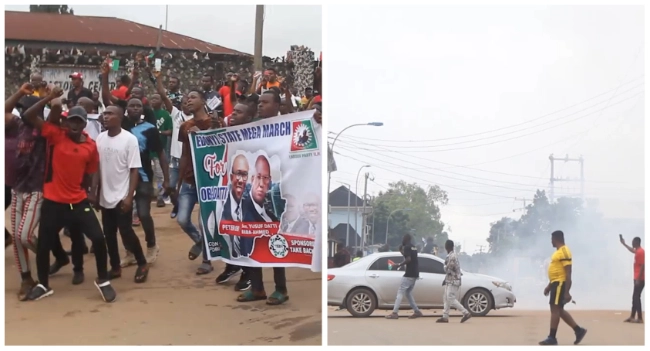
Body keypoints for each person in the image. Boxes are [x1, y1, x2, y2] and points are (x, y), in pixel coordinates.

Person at [21, 87, 116, 302]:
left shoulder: (90, 147)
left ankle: (103, 280)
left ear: (84, 125)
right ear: (66, 122)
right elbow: (29, 116)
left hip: (77, 202)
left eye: (78, 122)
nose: (73, 125)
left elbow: (91, 173)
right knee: (44, 245)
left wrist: (91, 193)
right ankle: (43, 284)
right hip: (53, 203)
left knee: (99, 239)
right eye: (71, 121)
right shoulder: (56, 135)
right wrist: (48, 98)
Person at [100, 61, 169, 267]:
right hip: (122, 178)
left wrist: (165, 179)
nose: (135, 108)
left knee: (144, 213)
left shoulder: (150, 129)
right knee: (124, 219)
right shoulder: (121, 124)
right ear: (126, 109)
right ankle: (130, 252)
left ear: (143, 109)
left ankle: (151, 245)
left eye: (138, 106)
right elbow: (107, 99)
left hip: (144, 176)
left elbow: (160, 154)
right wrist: (105, 76)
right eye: (131, 105)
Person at [96, 104, 150, 283]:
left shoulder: (129, 139)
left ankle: (142, 262)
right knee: (109, 234)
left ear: (119, 117)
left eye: (110, 114)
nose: (105, 117)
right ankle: (116, 266)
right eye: (104, 114)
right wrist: (95, 192)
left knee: (126, 231)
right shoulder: (100, 138)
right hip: (105, 196)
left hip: (121, 195)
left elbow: (134, 170)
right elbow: (97, 168)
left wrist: (129, 196)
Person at [177, 87, 218, 275]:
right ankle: (201, 241)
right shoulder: (185, 126)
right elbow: (184, 154)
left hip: (208, 180)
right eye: (187, 98)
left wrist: (206, 132)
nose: (188, 100)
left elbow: (221, 145)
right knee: (182, 219)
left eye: (193, 97)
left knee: (204, 222)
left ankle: (207, 260)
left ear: (203, 101)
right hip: (189, 180)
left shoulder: (215, 121)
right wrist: (178, 181)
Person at [539, 230, 587, 345]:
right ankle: (578, 330)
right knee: (559, 310)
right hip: (556, 283)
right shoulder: (559, 252)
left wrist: (567, 292)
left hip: (560, 284)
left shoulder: (564, 251)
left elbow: (568, 272)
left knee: (555, 309)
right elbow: (557, 270)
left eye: (552, 239)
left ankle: (552, 337)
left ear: (556, 239)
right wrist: (549, 286)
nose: (551, 242)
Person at [219, 153, 251, 291]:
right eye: (237, 173)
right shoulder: (222, 201)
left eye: (244, 175)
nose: (240, 179)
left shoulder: (253, 201)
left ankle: (248, 273)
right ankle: (232, 265)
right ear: (231, 175)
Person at [385, 233, 422, 319]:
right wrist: (402, 252)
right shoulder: (414, 247)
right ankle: (417, 311)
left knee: (400, 292)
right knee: (408, 293)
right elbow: (410, 256)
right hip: (415, 273)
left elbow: (408, 259)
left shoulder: (408, 247)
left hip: (409, 273)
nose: (402, 240)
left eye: (403, 238)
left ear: (406, 239)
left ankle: (394, 312)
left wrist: (399, 264)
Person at [436, 240, 471, 323]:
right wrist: (446, 279)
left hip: (453, 280)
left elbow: (449, 269)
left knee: (450, 298)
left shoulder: (452, 256)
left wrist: (444, 267)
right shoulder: (451, 255)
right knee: (446, 298)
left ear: (447, 247)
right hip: (451, 280)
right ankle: (445, 316)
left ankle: (466, 312)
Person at [149, 92, 173, 207]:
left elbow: (170, 131)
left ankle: (160, 197)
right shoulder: (148, 114)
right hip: (147, 151)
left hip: (159, 151)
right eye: (152, 98)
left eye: (156, 98)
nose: (153, 100)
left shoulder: (165, 115)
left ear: (161, 101)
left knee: (160, 176)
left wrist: (158, 132)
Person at [619, 235, 645, 323]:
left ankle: (640, 318)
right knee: (635, 297)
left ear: (636, 242)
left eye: (633, 242)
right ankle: (632, 316)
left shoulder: (641, 252)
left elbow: (643, 265)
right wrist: (624, 244)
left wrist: (638, 279)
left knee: (636, 297)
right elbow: (632, 250)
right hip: (637, 277)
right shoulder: (638, 251)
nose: (632, 243)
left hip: (640, 278)